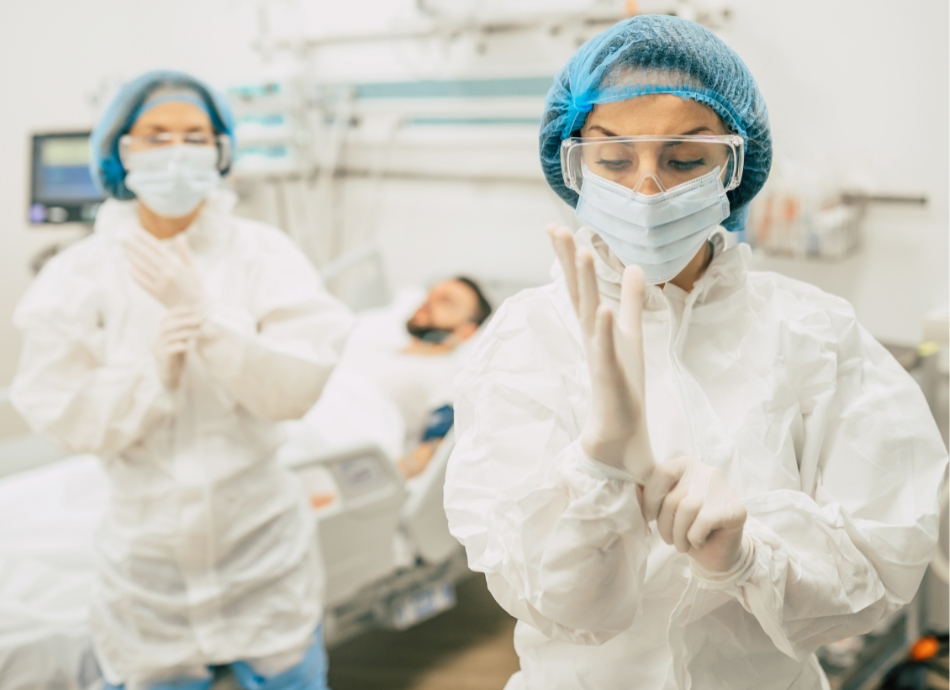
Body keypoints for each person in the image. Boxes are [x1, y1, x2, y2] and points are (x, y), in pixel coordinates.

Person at [443, 15, 949, 690]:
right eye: (614, 160)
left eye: (684, 160)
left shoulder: (816, 336)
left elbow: (881, 569)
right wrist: (598, 474)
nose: (647, 189)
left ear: (733, 168)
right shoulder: (526, 338)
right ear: (574, 171)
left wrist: (746, 556)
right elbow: (565, 610)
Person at [11, 71, 354, 690]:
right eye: (157, 135)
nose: (177, 152)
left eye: (195, 136)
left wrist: (211, 324)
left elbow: (297, 387)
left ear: (220, 152)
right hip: (148, 570)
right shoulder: (77, 274)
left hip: (262, 555)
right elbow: (60, 413)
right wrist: (150, 379)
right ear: (122, 150)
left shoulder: (263, 254)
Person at [281, 277, 492, 479]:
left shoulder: (447, 375)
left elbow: (436, 449)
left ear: (468, 329)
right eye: (431, 294)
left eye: (445, 301)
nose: (429, 302)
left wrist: (382, 480)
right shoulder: (370, 341)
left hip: (345, 428)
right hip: (305, 398)